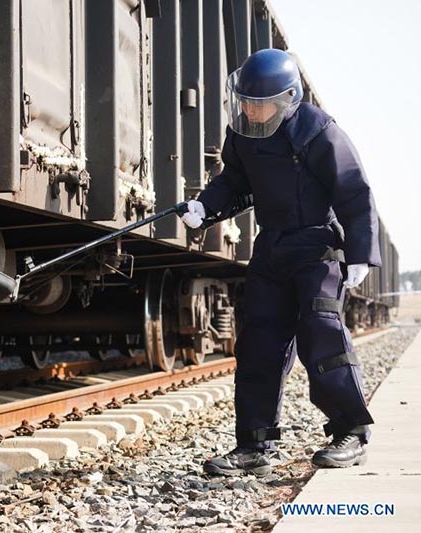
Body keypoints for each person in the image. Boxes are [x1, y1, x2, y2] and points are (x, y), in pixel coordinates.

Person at [181, 48, 381, 476]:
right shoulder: (244, 134)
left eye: (261, 102)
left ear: (288, 98)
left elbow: (353, 191)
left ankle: (350, 430)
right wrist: (205, 207)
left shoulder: (318, 131)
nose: (251, 110)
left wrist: (361, 253)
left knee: (321, 334)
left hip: (316, 249)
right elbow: (234, 182)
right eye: (246, 101)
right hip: (270, 248)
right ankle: (253, 445)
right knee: (259, 344)